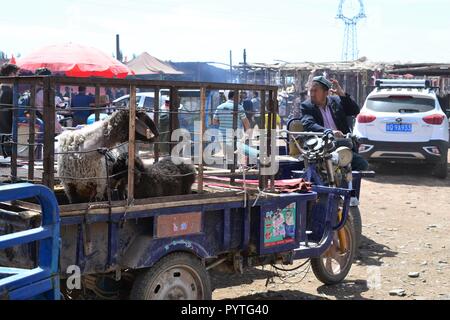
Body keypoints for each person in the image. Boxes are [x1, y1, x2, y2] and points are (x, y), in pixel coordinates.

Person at [300, 76, 369, 171]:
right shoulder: (306, 106)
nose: (312, 94)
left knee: (362, 164)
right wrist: (329, 132)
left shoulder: (337, 101)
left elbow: (354, 110)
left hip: (341, 145)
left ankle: (347, 183)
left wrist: (342, 94)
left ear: (326, 92)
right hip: (320, 147)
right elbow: (308, 124)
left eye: (315, 91)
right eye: (311, 91)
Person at [0, 63, 20, 157]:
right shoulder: (10, 92)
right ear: (11, 74)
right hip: (6, 132)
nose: (17, 77)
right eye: (17, 74)